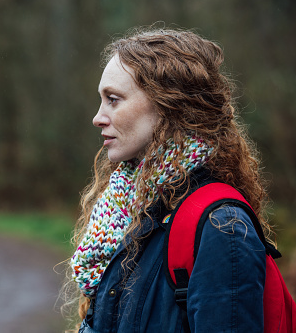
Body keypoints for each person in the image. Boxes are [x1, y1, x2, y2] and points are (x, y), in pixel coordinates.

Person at [66, 27, 271, 332]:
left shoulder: (221, 227)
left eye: (113, 99)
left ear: (167, 105)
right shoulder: (127, 210)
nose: (98, 117)